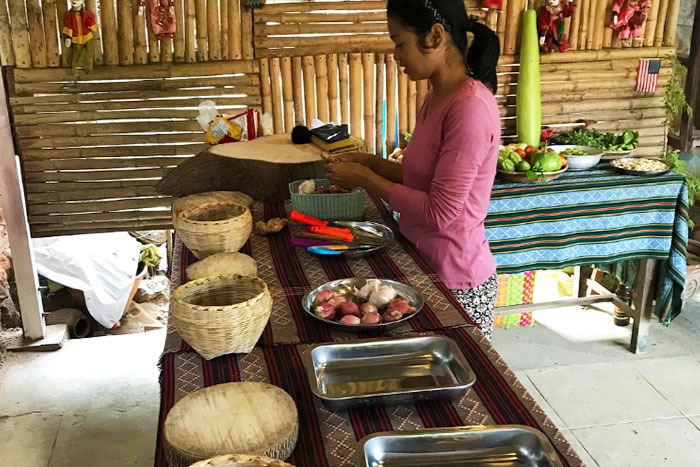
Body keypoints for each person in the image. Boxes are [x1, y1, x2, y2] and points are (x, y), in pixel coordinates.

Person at [325, 0, 501, 337]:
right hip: (421, 262)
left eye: (399, 42)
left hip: (456, 281)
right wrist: (370, 162)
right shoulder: (436, 96)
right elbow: (422, 178)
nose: (396, 54)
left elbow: (441, 211)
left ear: (435, 36)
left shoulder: (470, 109)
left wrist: (366, 179)